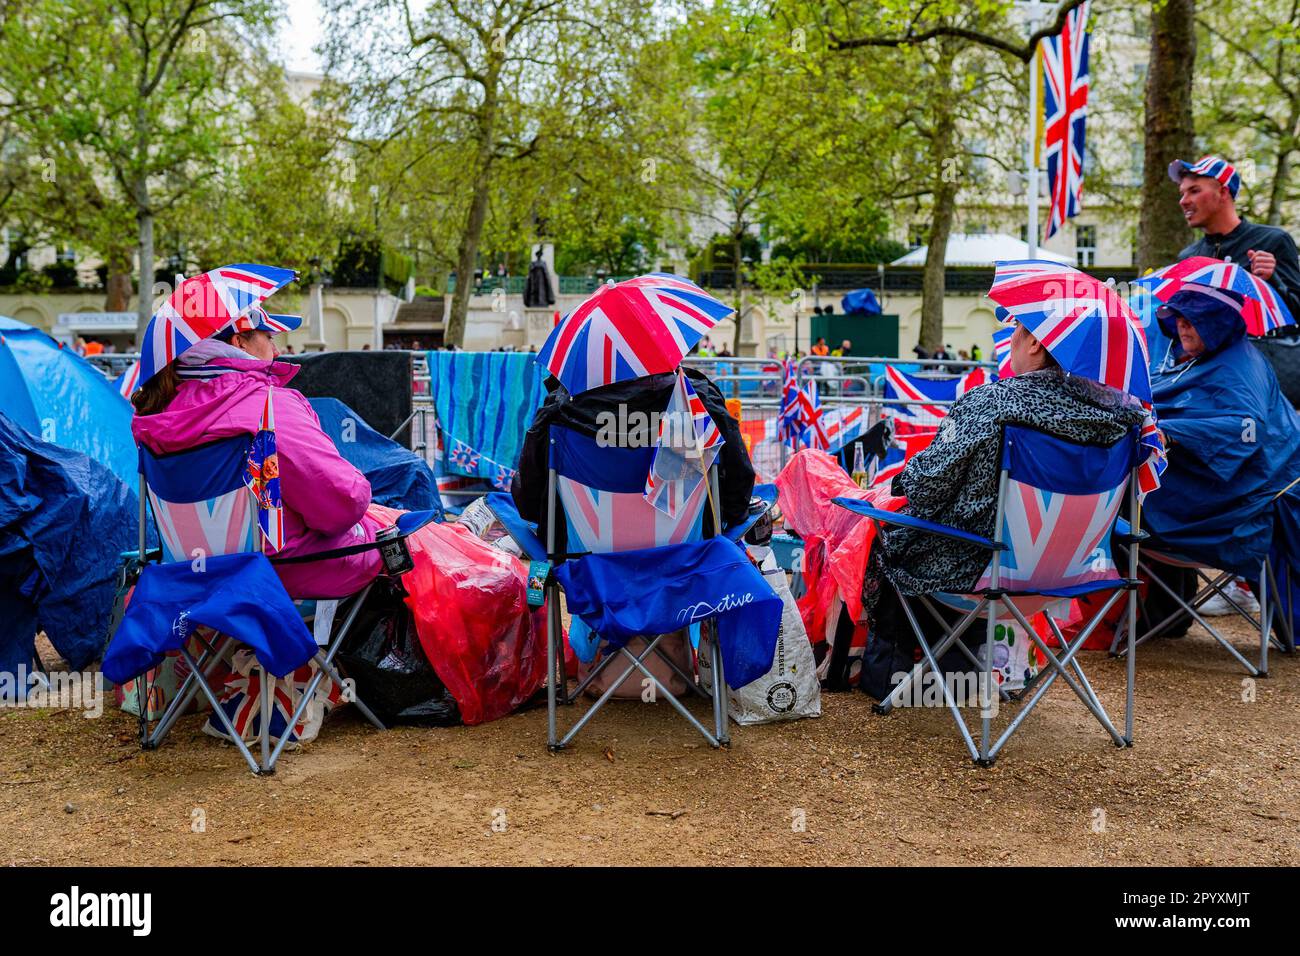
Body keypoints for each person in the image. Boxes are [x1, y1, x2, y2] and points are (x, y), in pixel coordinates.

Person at [858, 320, 1147, 696]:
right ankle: (957, 677)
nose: (1009, 341)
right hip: (1078, 572)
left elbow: (929, 485)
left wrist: (898, 484)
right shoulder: (1123, 416)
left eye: (1016, 333)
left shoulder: (993, 402)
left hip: (984, 574)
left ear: (1036, 346)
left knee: (901, 539)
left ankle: (892, 680)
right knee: (969, 536)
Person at [129, 308, 383, 600]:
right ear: (240, 344)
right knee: (399, 542)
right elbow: (341, 504)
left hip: (185, 577)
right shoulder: (269, 407)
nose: (276, 350)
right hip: (282, 572)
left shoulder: (156, 416)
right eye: (269, 337)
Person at [1141, 285, 1300, 630]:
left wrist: (1173, 431)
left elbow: (1247, 427)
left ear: (1217, 324)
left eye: (1192, 321)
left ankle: (1154, 614)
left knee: (1129, 503)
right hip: (1212, 483)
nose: (1182, 327)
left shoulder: (1241, 367)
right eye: (1178, 318)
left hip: (1244, 497)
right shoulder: (1191, 357)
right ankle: (1157, 616)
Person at [1170, 155, 1300, 320]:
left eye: (1194, 191)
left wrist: (1272, 280)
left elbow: (1296, 314)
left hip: (1262, 345)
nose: (1183, 201)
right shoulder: (1188, 257)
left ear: (1223, 192)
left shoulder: (1273, 241)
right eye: (1182, 193)